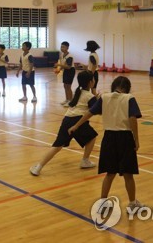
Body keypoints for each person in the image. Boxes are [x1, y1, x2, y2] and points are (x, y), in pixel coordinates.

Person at [69, 76, 144, 212]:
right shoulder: (129, 98)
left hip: (109, 138)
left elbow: (89, 113)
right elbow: (133, 118)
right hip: (125, 137)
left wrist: (76, 125)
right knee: (128, 174)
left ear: (114, 86)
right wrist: (136, 139)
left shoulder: (104, 97)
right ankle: (132, 203)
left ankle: (103, 203)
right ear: (127, 87)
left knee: (110, 173)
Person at [30, 71, 98, 176]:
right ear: (90, 82)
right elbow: (94, 111)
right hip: (78, 120)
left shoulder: (77, 92)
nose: (94, 81)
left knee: (57, 146)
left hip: (67, 119)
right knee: (92, 137)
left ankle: (38, 167)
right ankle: (85, 160)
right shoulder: (89, 96)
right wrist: (98, 100)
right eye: (93, 79)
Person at [55, 41, 75, 107]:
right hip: (66, 71)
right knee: (65, 86)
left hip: (70, 71)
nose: (62, 48)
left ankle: (71, 101)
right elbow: (64, 65)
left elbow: (68, 67)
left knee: (68, 86)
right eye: (61, 47)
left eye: (63, 47)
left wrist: (58, 64)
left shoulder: (70, 56)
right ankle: (67, 99)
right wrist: (59, 70)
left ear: (67, 48)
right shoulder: (62, 55)